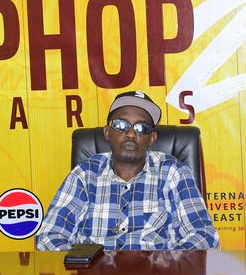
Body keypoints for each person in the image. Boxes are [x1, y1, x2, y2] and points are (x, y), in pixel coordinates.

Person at [36, 90, 219, 250]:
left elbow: (204, 235)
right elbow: (49, 235)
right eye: (121, 125)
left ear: (152, 138)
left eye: (141, 128)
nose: (131, 134)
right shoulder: (85, 173)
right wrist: (80, 263)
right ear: (107, 132)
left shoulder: (172, 172)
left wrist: (168, 268)